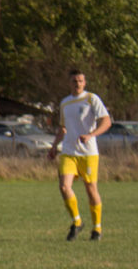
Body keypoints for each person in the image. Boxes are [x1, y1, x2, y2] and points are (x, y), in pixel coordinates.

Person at [47, 69, 111, 241]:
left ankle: (97, 228)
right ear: (69, 83)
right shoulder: (65, 103)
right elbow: (63, 128)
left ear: (85, 83)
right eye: (74, 81)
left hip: (88, 153)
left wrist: (91, 135)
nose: (77, 83)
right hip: (68, 152)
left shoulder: (91, 99)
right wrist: (54, 146)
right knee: (64, 187)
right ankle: (77, 222)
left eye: (81, 80)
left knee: (91, 189)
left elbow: (106, 121)